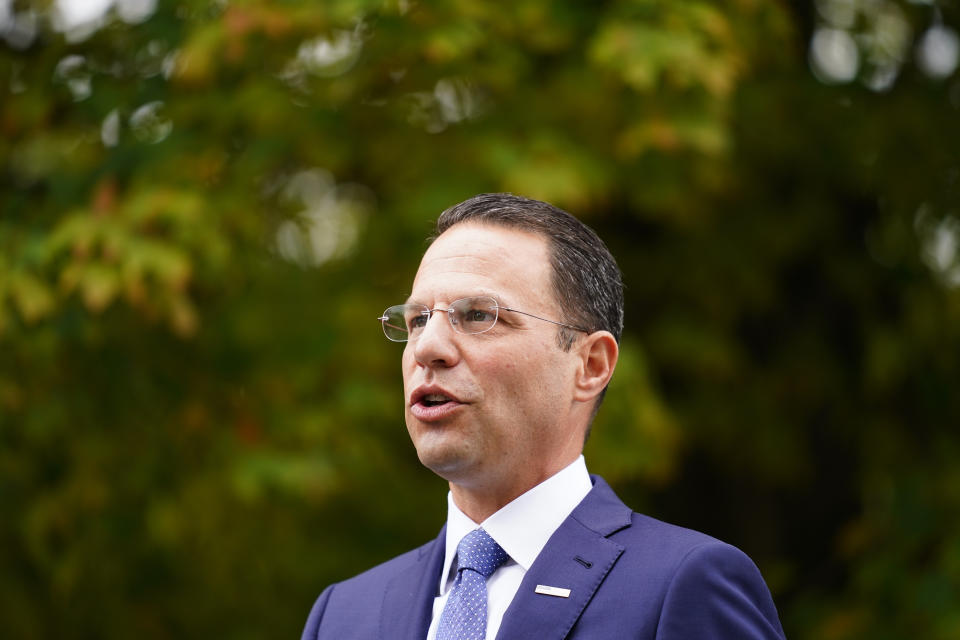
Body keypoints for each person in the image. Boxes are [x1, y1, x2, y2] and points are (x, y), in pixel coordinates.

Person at [301, 193, 786, 639]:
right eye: (417, 320)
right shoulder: (344, 614)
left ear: (590, 365)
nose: (427, 347)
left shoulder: (683, 584)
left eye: (478, 316)